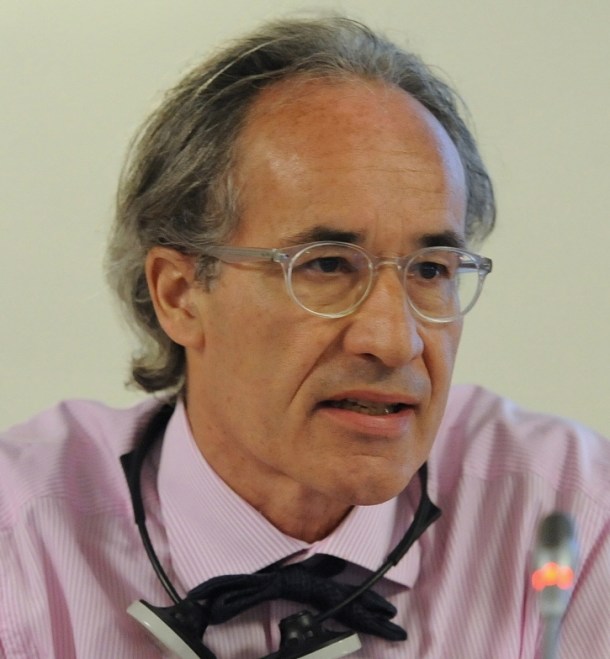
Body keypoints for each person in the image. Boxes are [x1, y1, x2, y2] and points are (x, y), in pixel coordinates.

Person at [0, 15, 608, 659]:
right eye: (326, 265)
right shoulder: (22, 544)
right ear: (179, 295)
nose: (394, 341)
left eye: (430, 270)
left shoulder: (570, 518)